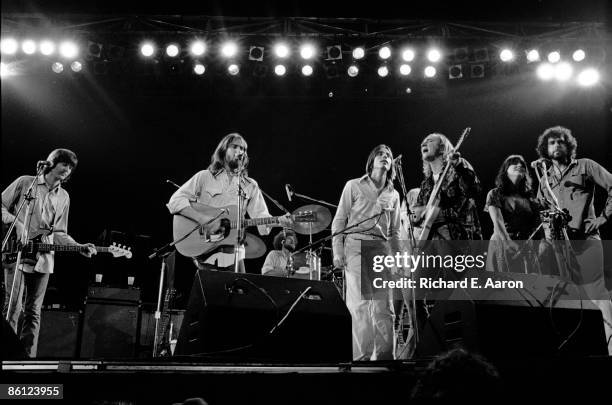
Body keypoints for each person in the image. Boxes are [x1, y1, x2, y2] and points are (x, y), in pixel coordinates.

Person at [2, 148, 96, 357]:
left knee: (33, 312)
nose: (67, 170)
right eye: (65, 164)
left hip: (43, 259)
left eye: (71, 167)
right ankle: (6, 357)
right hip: (15, 253)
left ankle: (27, 361)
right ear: (52, 163)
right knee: (12, 308)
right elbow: (1, 205)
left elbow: (60, 232)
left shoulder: (64, 196)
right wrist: (16, 223)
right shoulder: (27, 182)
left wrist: (78, 246)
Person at [534, 125, 612, 354]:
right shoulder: (544, 180)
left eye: (560, 141)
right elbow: (543, 212)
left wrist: (603, 218)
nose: (556, 145)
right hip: (559, 248)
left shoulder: (585, 166)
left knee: (598, 295)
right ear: (545, 149)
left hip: (586, 240)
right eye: (551, 143)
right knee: (569, 301)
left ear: (569, 145)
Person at [167, 133, 292, 272]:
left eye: (243, 149)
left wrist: (279, 221)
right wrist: (202, 218)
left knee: (239, 288)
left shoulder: (250, 185)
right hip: (205, 246)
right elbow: (175, 200)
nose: (240, 151)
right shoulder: (204, 176)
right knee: (210, 290)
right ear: (223, 150)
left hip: (234, 249)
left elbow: (260, 216)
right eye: (235, 147)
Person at [332, 144, 401, 361]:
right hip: (355, 244)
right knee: (360, 306)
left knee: (383, 306)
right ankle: (361, 359)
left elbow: (395, 232)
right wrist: (337, 251)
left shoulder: (394, 194)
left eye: (388, 156)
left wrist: (398, 259)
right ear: (371, 161)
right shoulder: (353, 185)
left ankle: (384, 359)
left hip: (381, 248)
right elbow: (339, 220)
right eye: (380, 154)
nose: (385, 158)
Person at [412, 133, 482, 241]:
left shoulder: (458, 167)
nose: (424, 144)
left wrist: (458, 165)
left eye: (430, 141)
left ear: (442, 148)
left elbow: (474, 191)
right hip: (431, 242)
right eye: (423, 143)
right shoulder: (425, 184)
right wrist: (416, 216)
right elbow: (420, 215)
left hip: (458, 239)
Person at [485, 155, 543, 273]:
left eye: (522, 165)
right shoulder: (495, 193)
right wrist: (508, 242)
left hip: (526, 245)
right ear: (505, 170)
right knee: (502, 285)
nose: (519, 165)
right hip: (502, 241)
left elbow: (537, 225)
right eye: (514, 163)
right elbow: (497, 221)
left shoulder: (530, 198)